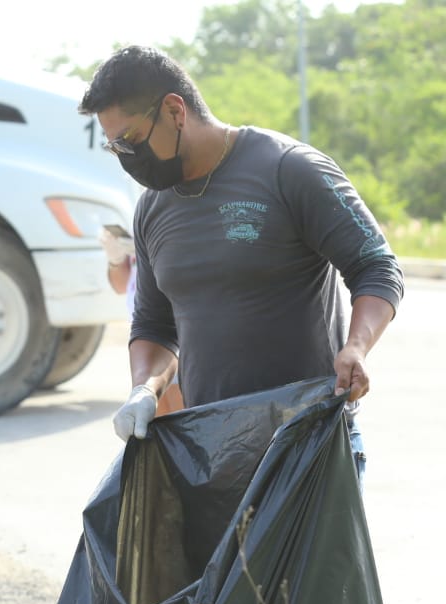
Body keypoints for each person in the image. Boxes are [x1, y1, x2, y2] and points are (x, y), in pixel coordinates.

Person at [79, 46, 402, 474]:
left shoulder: (288, 170)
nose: (128, 159)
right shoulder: (152, 211)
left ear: (175, 110)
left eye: (132, 141)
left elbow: (376, 266)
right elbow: (155, 326)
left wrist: (356, 347)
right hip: (212, 452)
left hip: (307, 447)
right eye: (116, 147)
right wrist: (145, 388)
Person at [99, 224, 184, 416]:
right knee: (156, 415)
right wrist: (116, 259)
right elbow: (121, 285)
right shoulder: (137, 217)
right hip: (145, 331)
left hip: (175, 329)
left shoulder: (167, 216)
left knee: (182, 414)